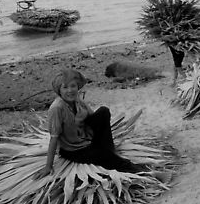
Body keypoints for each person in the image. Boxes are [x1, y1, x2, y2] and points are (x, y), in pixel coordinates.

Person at [35, 69, 170, 182]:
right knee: (111, 159)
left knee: (103, 111)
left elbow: (94, 118)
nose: (70, 90)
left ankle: (107, 151)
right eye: (65, 87)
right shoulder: (57, 108)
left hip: (87, 137)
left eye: (73, 86)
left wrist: (92, 123)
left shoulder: (76, 100)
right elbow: (54, 138)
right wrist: (48, 166)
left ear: (78, 87)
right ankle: (148, 174)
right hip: (75, 149)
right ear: (59, 90)